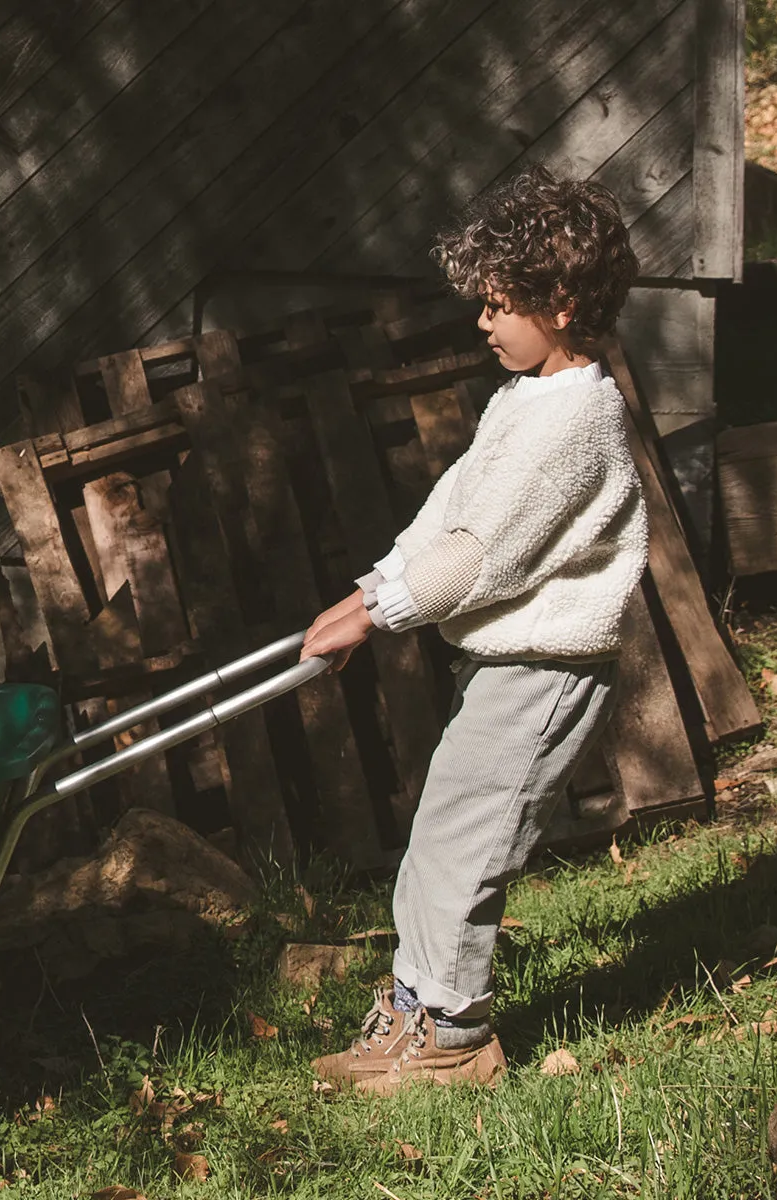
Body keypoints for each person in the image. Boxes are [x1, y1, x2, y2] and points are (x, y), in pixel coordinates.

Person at [299, 165, 649, 1094]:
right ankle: (413, 1008)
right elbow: (452, 509)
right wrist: (368, 590)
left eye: (499, 305)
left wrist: (382, 615)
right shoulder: (526, 400)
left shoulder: (575, 420)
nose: (483, 323)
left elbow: (483, 554)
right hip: (508, 661)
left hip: (547, 666)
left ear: (563, 302)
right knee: (439, 831)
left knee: (467, 836)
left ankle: (453, 1039)